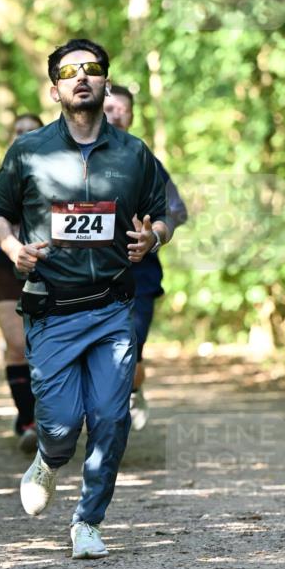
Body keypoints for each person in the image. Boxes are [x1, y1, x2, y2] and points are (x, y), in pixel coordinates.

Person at [0, 38, 168, 560]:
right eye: (69, 71)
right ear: (56, 88)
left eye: (92, 69)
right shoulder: (29, 151)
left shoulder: (133, 154)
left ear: (105, 80)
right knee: (61, 426)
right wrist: (13, 246)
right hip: (52, 309)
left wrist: (154, 237)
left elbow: (163, 212)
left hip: (111, 307)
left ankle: (88, 520)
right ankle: (47, 457)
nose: (81, 77)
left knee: (111, 418)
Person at [104, 85, 188, 429]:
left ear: (133, 115)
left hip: (139, 277)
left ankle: (131, 392)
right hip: (87, 277)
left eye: (122, 108)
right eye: (108, 108)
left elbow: (176, 210)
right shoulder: (72, 160)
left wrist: (152, 234)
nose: (114, 114)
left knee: (130, 352)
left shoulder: (145, 160)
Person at [0, 113, 43, 453]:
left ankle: (48, 417)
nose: (23, 136)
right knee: (17, 343)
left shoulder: (62, 173)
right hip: (7, 271)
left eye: (30, 131)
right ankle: (27, 419)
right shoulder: (0, 176)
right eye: (17, 132)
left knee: (45, 347)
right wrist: (7, 237)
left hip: (51, 270)